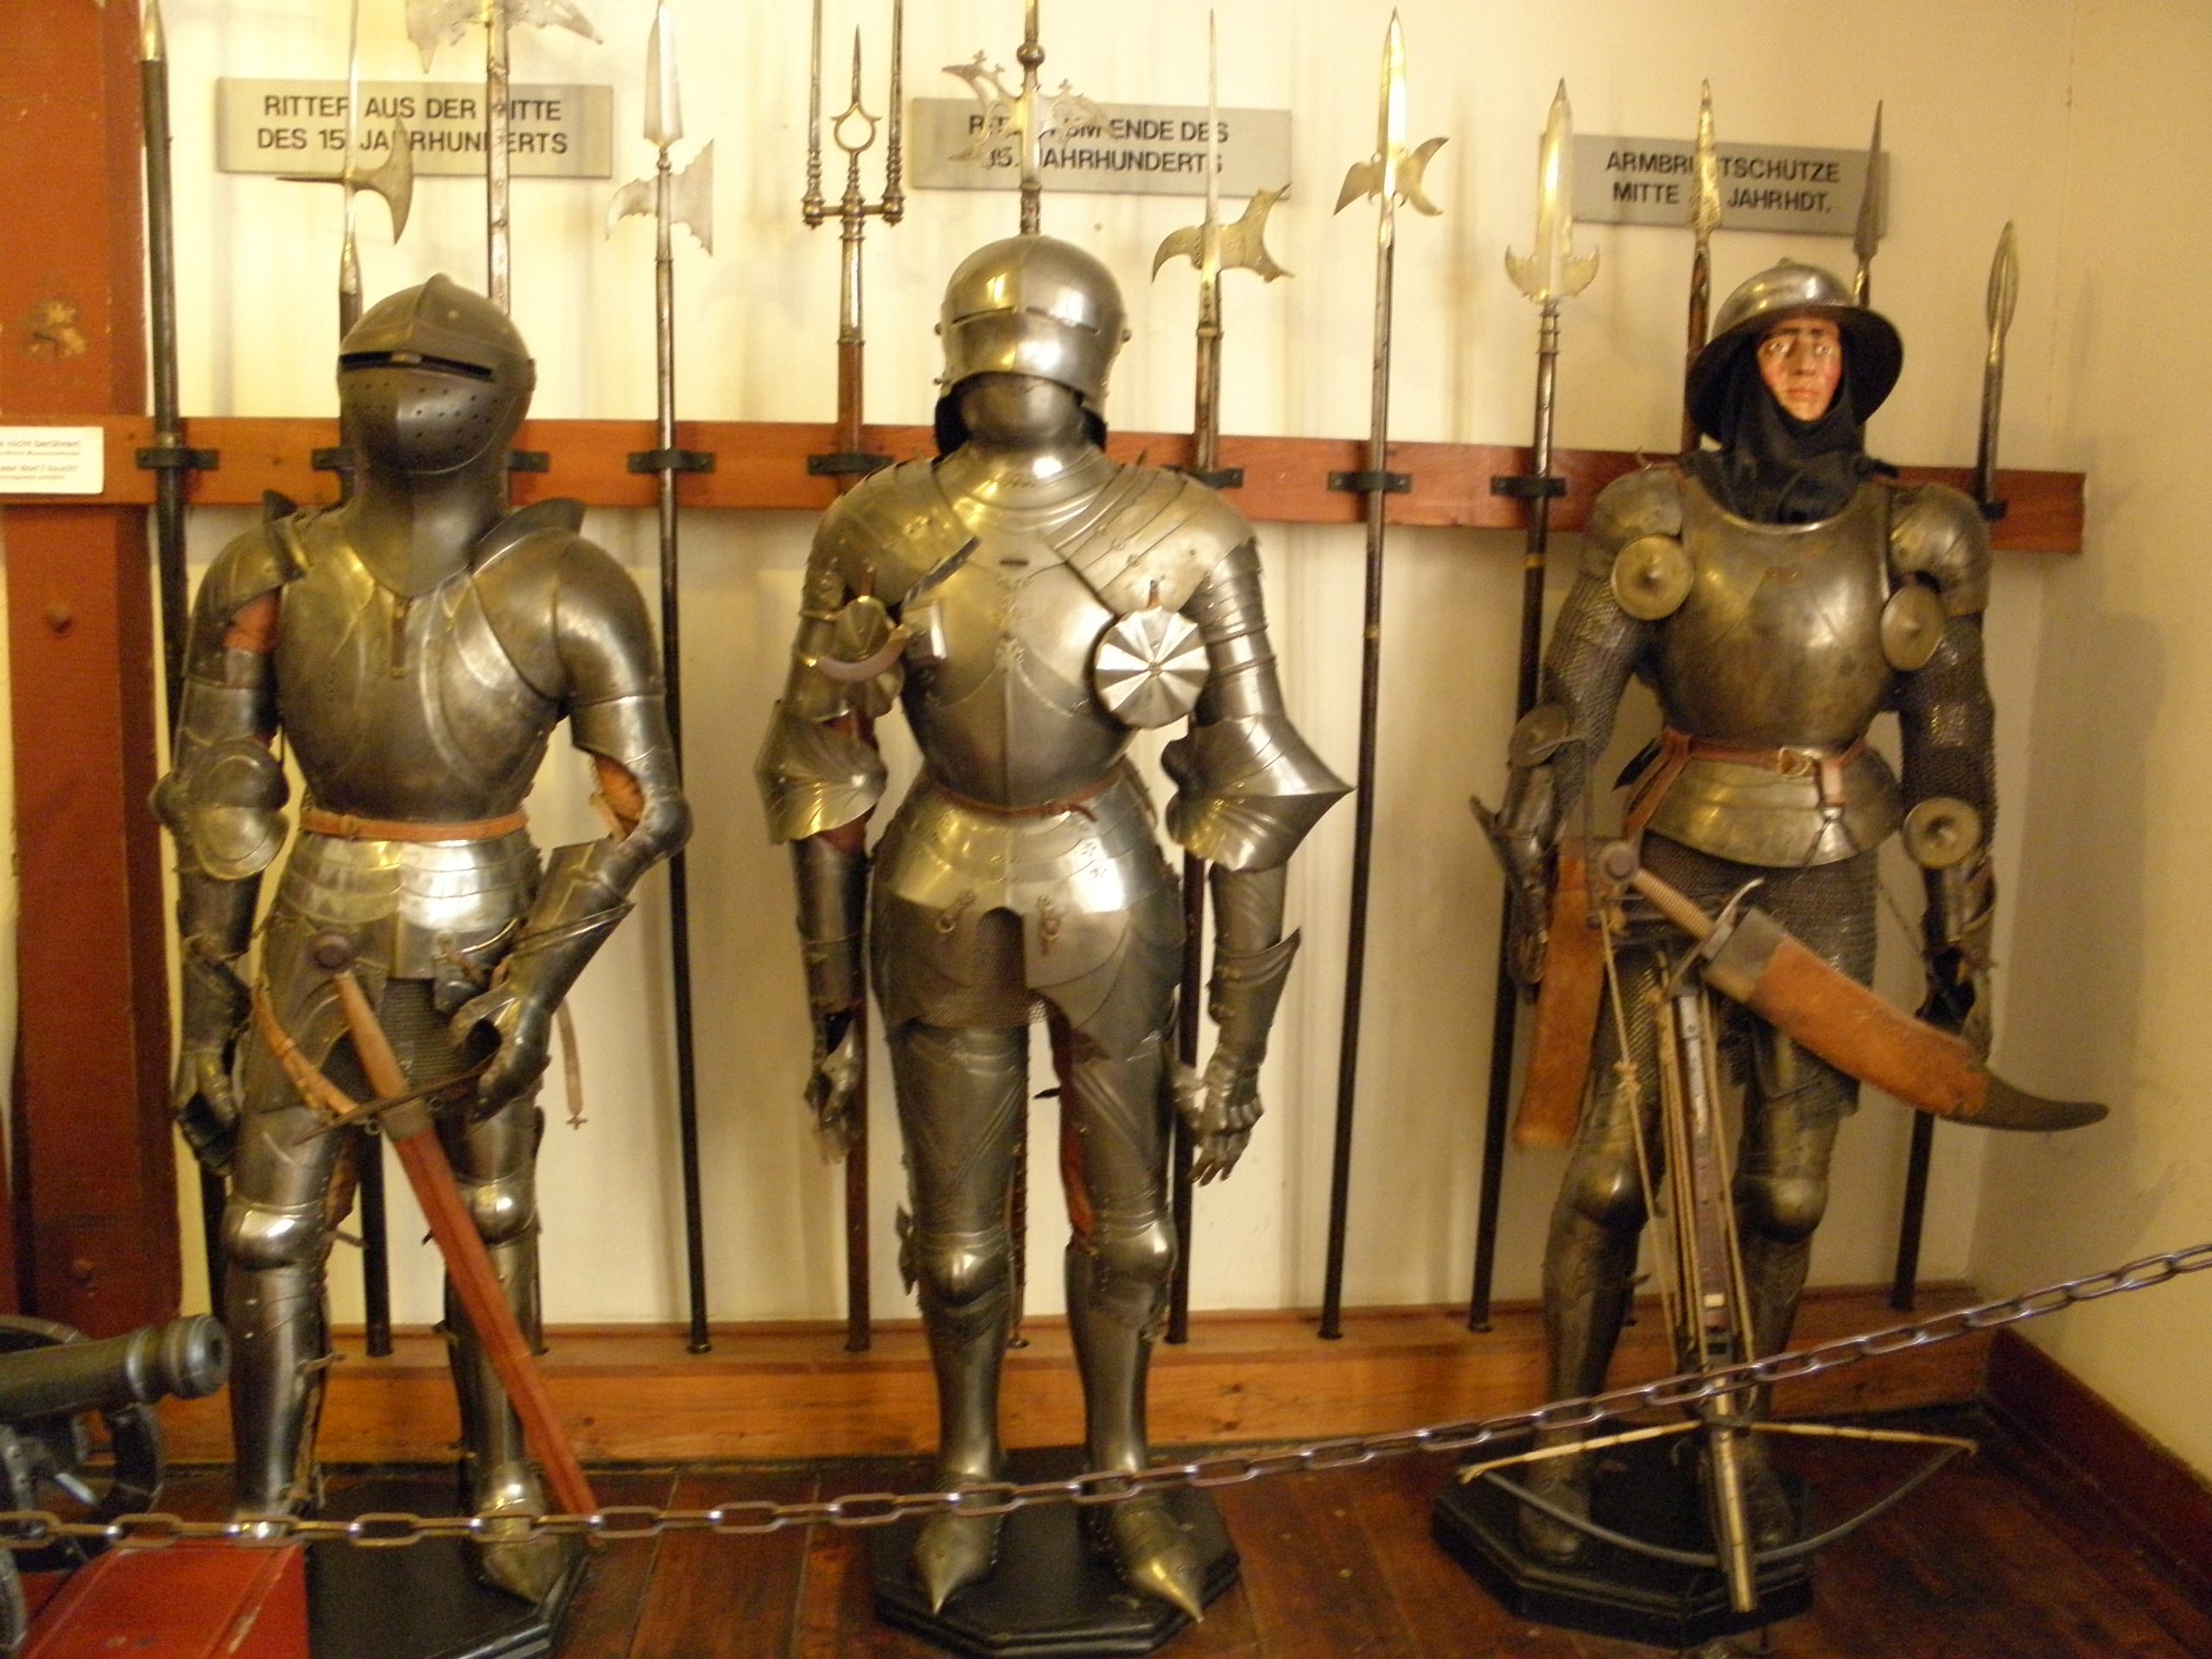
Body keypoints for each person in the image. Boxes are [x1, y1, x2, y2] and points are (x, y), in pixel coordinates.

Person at [758, 234, 1344, 1618]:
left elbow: (1251, 779)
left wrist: (1238, 1045)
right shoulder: (876, 523)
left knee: (1130, 1234)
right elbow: (818, 766)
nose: (1015, 365)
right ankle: (967, 1470)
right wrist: (830, 1007)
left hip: (1108, 881)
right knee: (959, 1244)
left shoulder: (1186, 529)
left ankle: (1120, 1467)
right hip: (940, 877)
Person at [156, 276, 689, 1600]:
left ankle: (501, 1478)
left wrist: (535, 980)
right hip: (309, 924)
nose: (408, 387)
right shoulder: (268, 569)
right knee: (265, 1233)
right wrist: (207, 1009)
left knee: (491, 1219)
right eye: (380, 365)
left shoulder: (569, 582)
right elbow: (222, 797)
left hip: (482, 929)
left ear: (506, 404)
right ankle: (268, 1505)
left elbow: (644, 810)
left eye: (442, 371)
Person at [1487, 260, 1996, 1561]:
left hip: (1830, 863)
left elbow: (1950, 738)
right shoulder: (1655, 514)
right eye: (1783, 344)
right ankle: (1564, 1437)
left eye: (1826, 342)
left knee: (1785, 1192)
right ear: (1739, 371)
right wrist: (1538, 854)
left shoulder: (1918, 533)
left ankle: (1737, 1438)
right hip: (1672, 859)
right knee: (1611, 1178)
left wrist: (1960, 937)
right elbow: (1572, 704)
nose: (1809, 363)